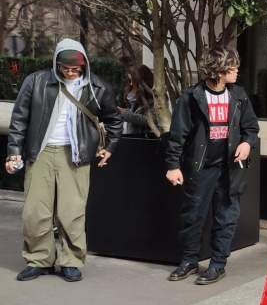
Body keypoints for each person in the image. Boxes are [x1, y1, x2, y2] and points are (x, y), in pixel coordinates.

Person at [5, 39, 122, 282]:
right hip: (41, 153)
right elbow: (19, 119)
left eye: (75, 68)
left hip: (76, 155)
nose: (70, 72)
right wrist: (14, 150)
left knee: (72, 212)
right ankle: (39, 259)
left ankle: (70, 260)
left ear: (84, 64)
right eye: (65, 68)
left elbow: (114, 120)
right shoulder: (36, 81)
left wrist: (109, 147)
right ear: (56, 63)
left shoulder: (97, 87)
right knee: (35, 212)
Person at [164, 48, 259, 285]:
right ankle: (189, 261)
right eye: (232, 67)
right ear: (219, 71)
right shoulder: (191, 97)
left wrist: (247, 143)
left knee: (226, 216)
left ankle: (218, 264)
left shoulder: (239, 95)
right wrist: (173, 165)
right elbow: (178, 135)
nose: (237, 71)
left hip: (230, 168)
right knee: (193, 215)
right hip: (201, 167)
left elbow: (251, 128)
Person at [120, 64, 160, 136]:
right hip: (130, 137)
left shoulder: (154, 99)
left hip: (143, 140)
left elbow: (149, 120)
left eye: (133, 81)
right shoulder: (133, 93)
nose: (131, 84)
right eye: (129, 80)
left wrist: (124, 114)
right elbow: (134, 112)